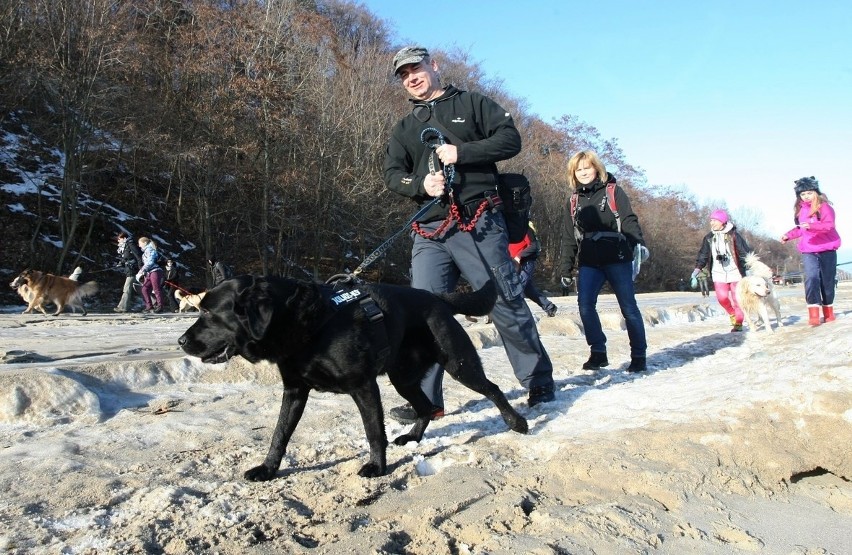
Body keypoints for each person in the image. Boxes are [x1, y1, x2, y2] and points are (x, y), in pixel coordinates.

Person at [383, 46, 555, 421]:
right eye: (404, 74)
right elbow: (392, 173)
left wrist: (463, 152)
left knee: (504, 299)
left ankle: (538, 379)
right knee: (421, 313)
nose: (411, 77)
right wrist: (418, 184)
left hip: (479, 219)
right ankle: (427, 401)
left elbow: (511, 140)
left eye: (417, 68)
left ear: (434, 66)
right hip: (430, 229)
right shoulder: (404, 127)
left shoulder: (473, 104)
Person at [560, 150, 648, 372]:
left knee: (628, 307)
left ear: (596, 168)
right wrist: (565, 267)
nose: (583, 172)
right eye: (578, 169)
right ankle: (598, 352)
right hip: (589, 260)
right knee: (585, 306)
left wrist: (638, 243)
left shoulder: (613, 191)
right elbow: (569, 236)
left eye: (586, 168)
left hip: (618, 258)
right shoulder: (573, 201)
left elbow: (628, 219)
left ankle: (638, 354)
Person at [781, 176, 842, 326]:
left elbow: (829, 225)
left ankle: (828, 312)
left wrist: (812, 226)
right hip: (809, 249)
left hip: (827, 248)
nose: (806, 196)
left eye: (809, 193)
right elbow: (801, 229)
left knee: (827, 282)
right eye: (802, 194)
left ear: (815, 192)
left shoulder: (825, 207)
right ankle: (814, 313)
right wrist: (788, 235)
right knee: (811, 278)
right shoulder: (800, 210)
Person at [691, 209, 750, 332]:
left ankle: (738, 323)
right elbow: (703, 255)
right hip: (718, 273)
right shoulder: (708, 238)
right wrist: (696, 271)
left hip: (735, 272)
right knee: (722, 298)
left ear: (722, 222)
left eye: (714, 220)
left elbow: (745, 252)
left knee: (737, 299)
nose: (712, 223)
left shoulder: (733, 235)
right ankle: (732, 313)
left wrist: (749, 268)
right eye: (711, 220)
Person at [511, 223, 557, 316]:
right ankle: (549, 307)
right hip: (513, 263)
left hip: (526, 262)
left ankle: (515, 314)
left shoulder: (525, 228)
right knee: (528, 290)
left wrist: (520, 255)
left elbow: (534, 246)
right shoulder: (504, 230)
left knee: (517, 288)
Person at [114, 231, 143, 313]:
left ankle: (123, 307)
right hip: (129, 269)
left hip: (133, 270)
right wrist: (121, 263)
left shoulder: (130, 244)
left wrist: (140, 268)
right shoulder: (126, 246)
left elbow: (138, 256)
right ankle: (123, 306)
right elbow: (127, 257)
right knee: (135, 288)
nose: (118, 240)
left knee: (127, 288)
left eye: (119, 239)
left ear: (124, 238)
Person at [136, 236, 166, 313]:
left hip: (155, 271)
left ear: (145, 243)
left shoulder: (150, 250)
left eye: (140, 243)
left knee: (156, 289)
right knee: (144, 289)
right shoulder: (145, 252)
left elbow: (150, 262)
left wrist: (142, 270)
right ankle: (149, 306)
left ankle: (160, 306)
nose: (139, 245)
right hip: (149, 272)